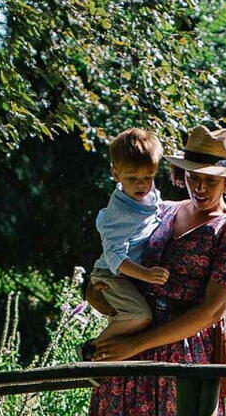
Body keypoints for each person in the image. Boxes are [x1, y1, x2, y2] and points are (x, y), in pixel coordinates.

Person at [82, 125, 226, 416]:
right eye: (194, 177)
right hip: (128, 357)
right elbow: (120, 259)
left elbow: (211, 311)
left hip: (182, 363)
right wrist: (96, 292)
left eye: (211, 179)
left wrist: (134, 344)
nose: (200, 186)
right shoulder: (160, 211)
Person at [83, 128, 170, 357]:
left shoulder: (149, 196)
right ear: (115, 174)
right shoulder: (119, 212)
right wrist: (146, 274)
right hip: (111, 274)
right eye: (132, 179)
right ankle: (91, 351)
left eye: (148, 178)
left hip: (126, 276)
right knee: (139, 316)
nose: (141, 185)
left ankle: (101, 356)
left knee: (133, 316)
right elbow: (114, 256)